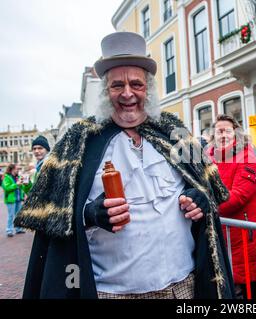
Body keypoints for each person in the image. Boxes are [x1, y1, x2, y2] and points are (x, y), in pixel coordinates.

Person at [14, 31, 234, 299]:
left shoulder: (175, 133)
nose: (127, 93)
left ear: (148, 89)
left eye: (136, 84)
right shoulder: (78, 141)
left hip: (183, 288)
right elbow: (51, 216)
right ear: (106, 91)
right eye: (117, 85)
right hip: (112, 293)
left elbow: (207, 191)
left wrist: (199, 198)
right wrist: (90, 214)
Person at [208, 114, 256, 299]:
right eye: (219, 131)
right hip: (225, 235)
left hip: (248, 235)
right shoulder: (208, 158)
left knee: (252, 293)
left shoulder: (246, 156)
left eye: (227, 131)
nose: (223, 135)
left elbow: (238, 196)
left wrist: (207, 209)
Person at [1, 164, 26, 237]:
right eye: (17, 169)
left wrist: (23, 193)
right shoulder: (6, 177)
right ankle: (9, 230)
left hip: (18, 199)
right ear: (12, 169)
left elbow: (21, 188)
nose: (18, 170)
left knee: (18, 215)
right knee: (11, 215)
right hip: (11, 199)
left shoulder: (17, 177)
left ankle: (18, 229)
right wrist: (16, 184)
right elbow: (7, 188)